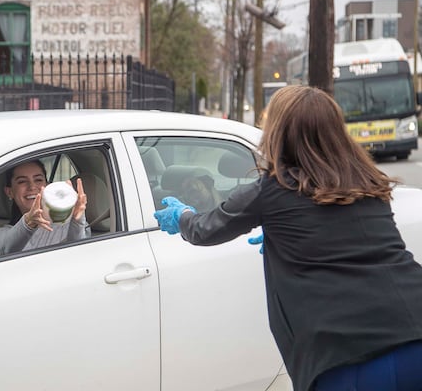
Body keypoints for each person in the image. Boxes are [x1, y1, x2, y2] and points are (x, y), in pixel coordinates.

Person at [153, 85, 422, 391]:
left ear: (279, 132)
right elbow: (346, 233)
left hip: (348, 356)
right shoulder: (367, 181)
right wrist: (283, 232)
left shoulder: (271, 189)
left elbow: (205, 228)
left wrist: (182, 215)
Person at [0, 160, 89, 255]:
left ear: (47, 186)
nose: (32, 186)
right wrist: (28, 222)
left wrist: (77, 220)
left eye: (38, 180)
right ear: (9, 192)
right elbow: (8, 249)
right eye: (22, 181)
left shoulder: (73, 224)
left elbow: (79, 253)